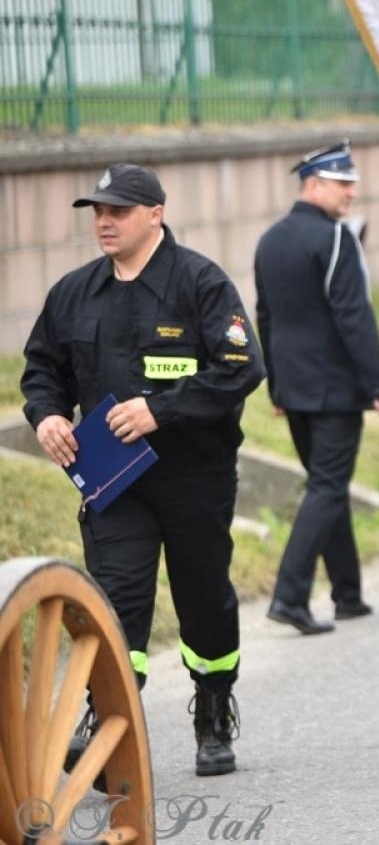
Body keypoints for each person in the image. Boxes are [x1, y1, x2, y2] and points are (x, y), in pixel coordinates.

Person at [21, 163, 263, 776]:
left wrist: (161, 411)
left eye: (119, 211)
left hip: (194, 478)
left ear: (155, 214)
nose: (105, 222)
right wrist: (47, 415)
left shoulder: (200, 282)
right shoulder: (73, 292)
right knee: (115, 599)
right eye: (98, 212)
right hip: (114, 484)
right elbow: (42, 368)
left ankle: (214, 707)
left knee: (203, 598)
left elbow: (240, 368)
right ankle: (108, 720)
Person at [256, 142, 379, 635]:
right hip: (333, 389)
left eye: (352, 184)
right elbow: (353, 316)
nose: (351, 193)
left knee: (325, 484)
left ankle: (347, 594)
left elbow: (266, 318)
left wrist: (276, 387)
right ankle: (289, 597)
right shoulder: (337, 239)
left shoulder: (269, 239)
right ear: (313, 185)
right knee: (327, 487)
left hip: (294, 389)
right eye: (342, 184)